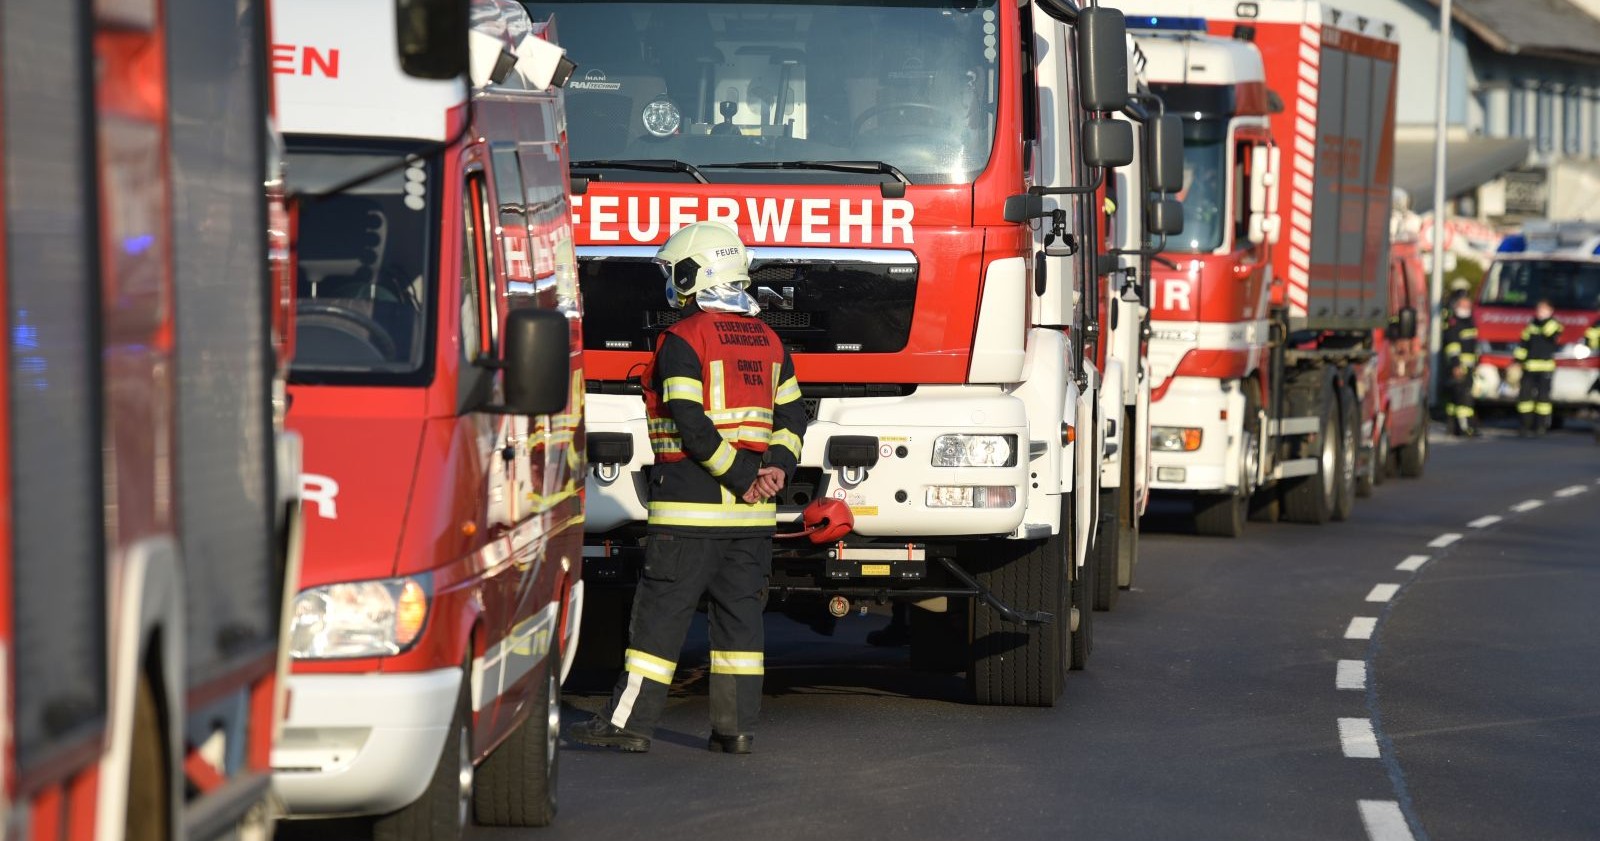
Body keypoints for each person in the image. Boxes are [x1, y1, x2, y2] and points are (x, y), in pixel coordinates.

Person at [567, 222, 806, 755]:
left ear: (698, 275)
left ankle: (628, 725)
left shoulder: (683, 339)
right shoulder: (771, 342)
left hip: (688, 513)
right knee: (740, 629)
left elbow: (690, 423)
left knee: (659, 624)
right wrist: (775, 471)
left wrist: (740, 476)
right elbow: (794, 417)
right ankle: (735, 730)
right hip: (753, 520)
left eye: (678, 271)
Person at [1513, 297, 1562, 437]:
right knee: (1525, 398)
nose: (1540, 311)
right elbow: (1523, 344)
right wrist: (1517, 360)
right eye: (1539, 309)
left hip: (1545, 367)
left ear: (1550, 310)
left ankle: (1541, 426)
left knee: (1543, 399)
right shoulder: (1531, 325)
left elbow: (1550, 334)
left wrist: (1543, 320)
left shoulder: (1553, 324)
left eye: (1543, 309)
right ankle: (1525, 425)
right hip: (1529, 367)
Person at [1439, 294, 1479, 437]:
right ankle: (1464, 427)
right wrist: (1456, 365)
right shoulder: (1454, 324)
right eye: (1463, 306)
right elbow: (1453, 347)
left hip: (1468, 367)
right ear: (1456, 307)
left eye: (1468, 306)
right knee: (1463, 399)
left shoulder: (1470, 322)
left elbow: (1473, 346)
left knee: (1455, 399)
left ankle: (1452, 426)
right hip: (1459, 367)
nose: (1466, 308)